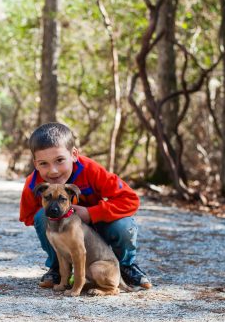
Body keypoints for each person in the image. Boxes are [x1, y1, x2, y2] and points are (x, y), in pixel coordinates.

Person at [18, 122, 152, 290]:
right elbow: (27, 215)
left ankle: (124, 266)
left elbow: (130, 199)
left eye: (60, 160)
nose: (53, 171)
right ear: (35, 163)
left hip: (100, 225)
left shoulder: (91, 170)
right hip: (65, 229)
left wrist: (91, 213)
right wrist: (65, 224)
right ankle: (58, 268)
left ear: (74, 154)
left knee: (124, 226)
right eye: (43, 163)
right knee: (42, 217)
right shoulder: (33, 183)